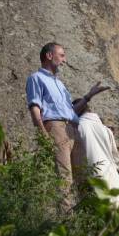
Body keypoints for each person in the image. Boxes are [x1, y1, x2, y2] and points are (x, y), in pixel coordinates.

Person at [25, 42, 109, 211]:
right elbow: (35, 108)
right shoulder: (36, 78)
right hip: (56, 128)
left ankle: (86, 217)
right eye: (61, 55)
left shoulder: (60, 84)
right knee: (64, 176)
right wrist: (43, 134)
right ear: (49, 56)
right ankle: (67, 221)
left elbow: (71, 112)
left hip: (73, 129)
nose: (64, 60)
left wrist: (88, 96)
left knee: (83, 174)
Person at [74, 100, 119, 205]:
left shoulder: (77, 128)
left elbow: (76, 161)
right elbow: (116, 159)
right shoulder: (106, 129)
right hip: (114, 181)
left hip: (93, 182)